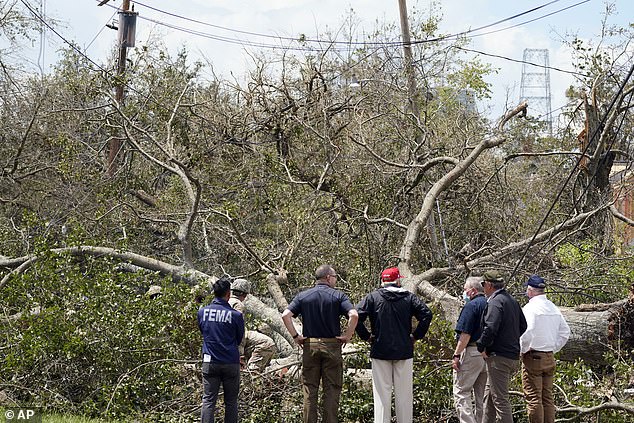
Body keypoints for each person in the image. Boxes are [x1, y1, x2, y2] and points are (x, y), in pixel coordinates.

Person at [281, 264, 358, 423]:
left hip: (310, 346)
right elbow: (354, 315)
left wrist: (296, 336)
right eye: (335, 277)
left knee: (310, 390)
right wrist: (347, 335)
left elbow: (286, 315)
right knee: (332, 389)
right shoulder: (338, 296)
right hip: (332, 346)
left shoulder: (303, 296)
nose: (336, 280)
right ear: (328, 277)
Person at [355, 267, 433, 423]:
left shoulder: (373, 297)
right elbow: (427, 314)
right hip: (404, 350)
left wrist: (366, 336)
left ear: (383, 281)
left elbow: (356, 316)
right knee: (404, 394)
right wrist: (416, 336)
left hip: (380, 349)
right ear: (398, 280)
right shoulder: (409, 298)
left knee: (381, 395)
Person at [476, 270, 527, 423]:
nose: (483, 287)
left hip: (498, 357)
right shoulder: (511, 300)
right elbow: (523, 326)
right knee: (489, 397)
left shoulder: (495, 302)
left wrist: (481, 346)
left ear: (490, 285)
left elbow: (490, 327)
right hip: (511, 355)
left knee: (500, 400)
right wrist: (509, 339)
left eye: (483, 284)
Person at [519, 275, 570, 423]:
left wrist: (523, 349)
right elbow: (565, 332)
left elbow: (527, 332)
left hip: (533, 356)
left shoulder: (529, 309)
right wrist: (553, 348)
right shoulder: (553, 307)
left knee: (534, 398)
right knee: (547, 397)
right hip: (549, 356)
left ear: (530, 290)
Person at [198, 276, 245, 423]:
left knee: (208, 400)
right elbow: (239, 338)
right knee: (231, 402)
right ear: (228, 294)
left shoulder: (202, 312)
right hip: (230, 362)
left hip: (210, 361)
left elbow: (203, 332)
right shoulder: (236, 315)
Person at [452, 276, 488, 423]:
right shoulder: (491, 303)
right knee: (483, 396)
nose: (464, 292)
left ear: (473, 291)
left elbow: (465, 334)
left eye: (465, 289)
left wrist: (456, 355)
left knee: (461, 392)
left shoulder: (471, 307)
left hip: (472, 352)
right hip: (488, 354)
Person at [229, 278, 276, 372]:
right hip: (234, 340)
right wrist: (239, 354)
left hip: (223, 339)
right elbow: (239, 330)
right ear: (245, 294)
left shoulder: (224, 302)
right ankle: (251, 373)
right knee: (267, 343)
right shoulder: (238, 305)